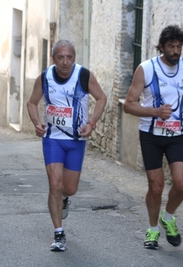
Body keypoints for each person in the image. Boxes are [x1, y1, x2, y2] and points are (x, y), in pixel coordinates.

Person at [123, 25, 183, 250]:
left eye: (179, 47)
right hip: (151, 135)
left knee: (182, 183)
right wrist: (155, 112)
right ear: (161, 47)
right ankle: (152, 229)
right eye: (171, 47)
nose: (176, 51)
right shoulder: (146, 69)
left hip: (177, 134)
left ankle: (168, 217)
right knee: (156, 187)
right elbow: (128, 105)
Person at [27, 40, 107, 251]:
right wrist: (37, 122)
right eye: (60, 57)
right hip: (53, 138)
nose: (65, 62)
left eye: (69, 57)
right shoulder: (44, 78)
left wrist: (91, 123)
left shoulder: (83, 76)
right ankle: (59, 233)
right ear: (53, 58)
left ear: (74, 57)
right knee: (54, 183)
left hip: (76, 140)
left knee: (69, 188)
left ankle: (64, 198)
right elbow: (32, 102)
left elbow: (101, 98)